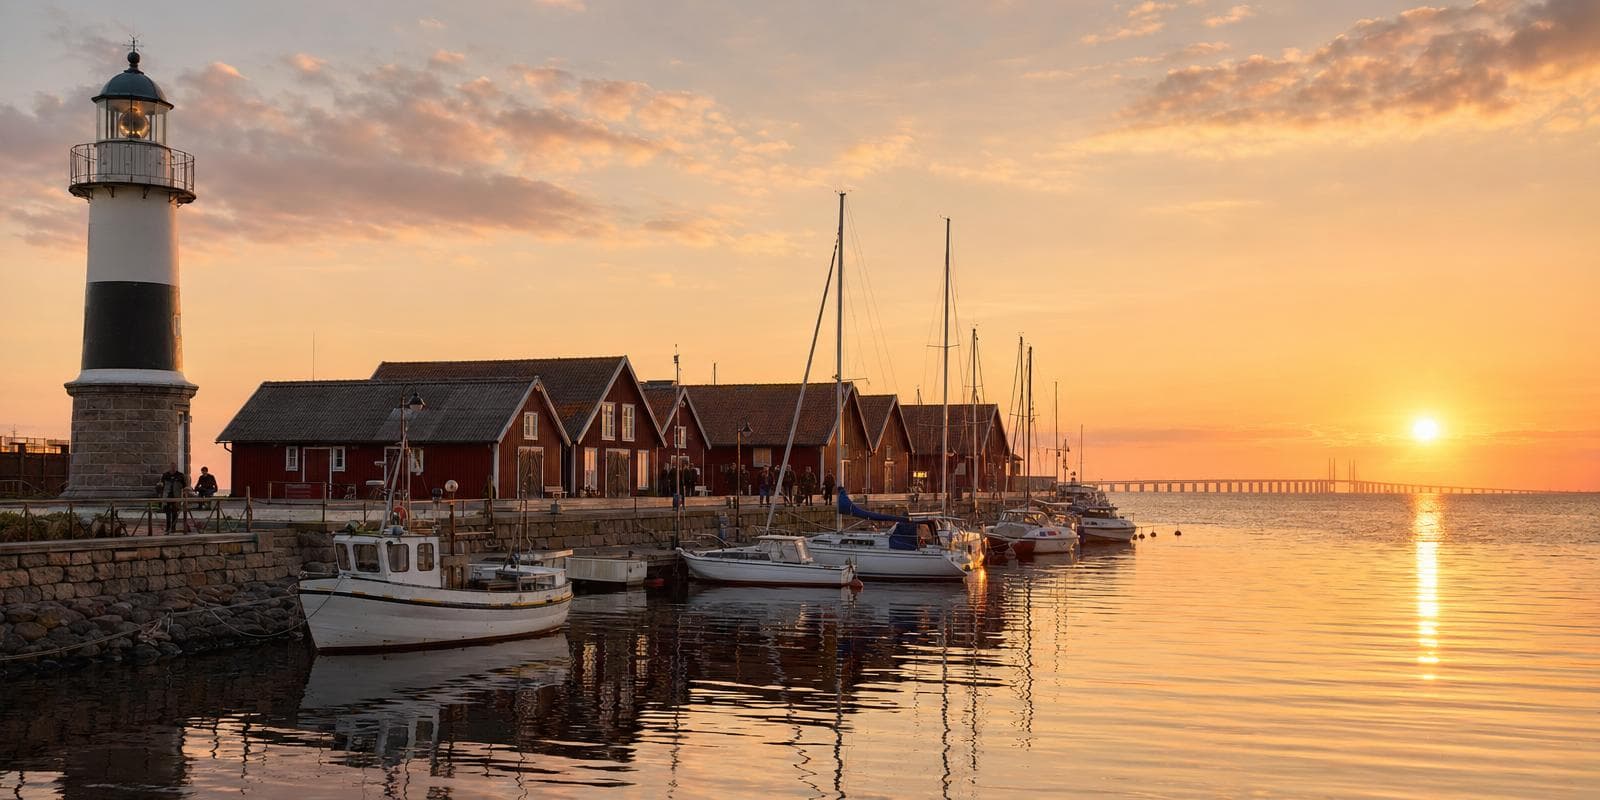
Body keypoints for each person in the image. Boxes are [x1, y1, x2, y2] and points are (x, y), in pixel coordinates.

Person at [158, 463, 187, 533]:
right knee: (168, 514)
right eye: (172, 467)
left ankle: (173, 528)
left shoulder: (180, 475)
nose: (173, 468)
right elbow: (161, 484)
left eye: (174, 467)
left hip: (176, 497)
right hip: (167, 497)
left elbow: (184, 486)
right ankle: (168, 528)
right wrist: (160, 486)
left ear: (176, 467)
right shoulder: (165, 475)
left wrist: (186, 493)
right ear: (170, 467)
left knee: (174, 513)